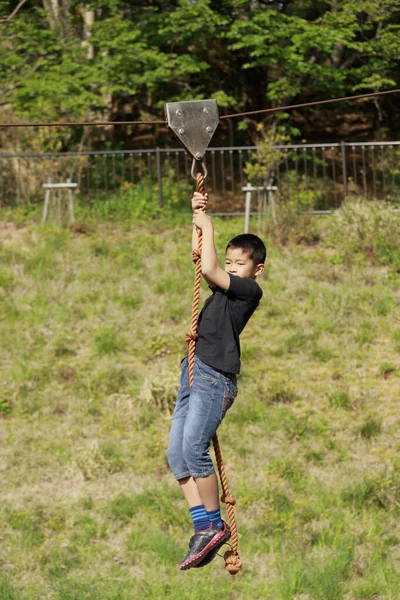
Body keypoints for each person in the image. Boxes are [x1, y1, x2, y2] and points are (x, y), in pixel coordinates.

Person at [167, 191, 266, 570]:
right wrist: (198, 217)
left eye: (239, 263)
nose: (231, 268)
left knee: (194, 449)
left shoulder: (247, 292)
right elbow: (202, 258)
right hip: (192, 371)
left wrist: (208, 223)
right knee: (177, 455)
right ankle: (203, 524)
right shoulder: (221, 290)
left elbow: (209, 268)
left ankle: (214, 525)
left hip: (213, 376)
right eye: (229, 261)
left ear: (256, 269)